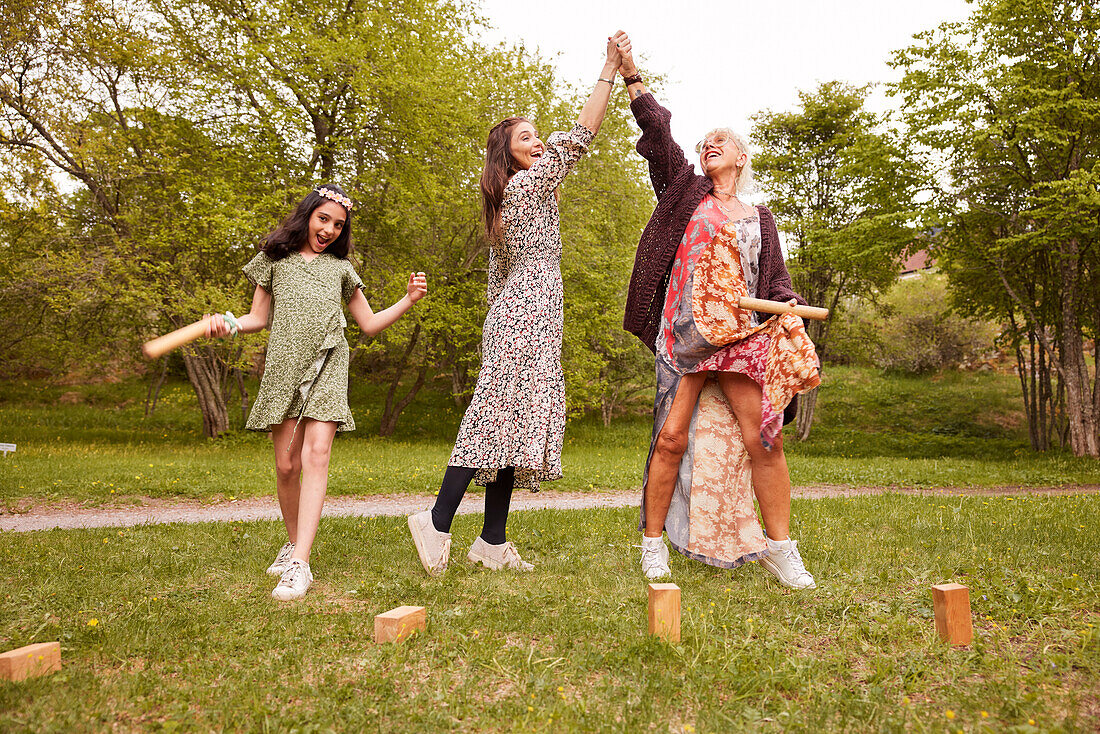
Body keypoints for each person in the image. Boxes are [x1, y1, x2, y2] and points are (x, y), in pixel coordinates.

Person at [407, 32, 630, 576]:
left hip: (524, 314)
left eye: (537, 137)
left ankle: (491, 539)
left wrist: (501, 326)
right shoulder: (529, 187)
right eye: (527, 137)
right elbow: (583, 133)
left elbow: (495, 278)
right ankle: (436, 521)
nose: (538, 143)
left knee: (515, 422)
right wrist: (608, 69)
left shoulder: (508, 203)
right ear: (507, 153)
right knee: (494, 418)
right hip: (526, 314)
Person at [616, 39, 821, 589]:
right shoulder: (685, 191)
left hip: (737, 336)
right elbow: (659, 140)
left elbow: (774, 280)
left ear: (742, 156)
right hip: (684, 334)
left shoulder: (760, 216)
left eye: (721, 141)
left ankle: (781, 549)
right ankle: (653, 545)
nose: (710, 144)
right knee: (670, 440)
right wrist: (635, 77)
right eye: (706, 141)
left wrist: (790, 307)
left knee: (764, 440)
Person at [207, 184, 427, 600]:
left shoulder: (342, 270)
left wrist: (408, 299)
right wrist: (229, 323)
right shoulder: (274, 260)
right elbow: (257, 317)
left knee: (316, 455)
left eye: (338, 225)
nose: (328, 229)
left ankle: (301, 564)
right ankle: (293, 545)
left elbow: (369, 323)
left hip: (329, 362)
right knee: (287, 466)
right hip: (284, 367)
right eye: (323, 219)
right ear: (307, 215)